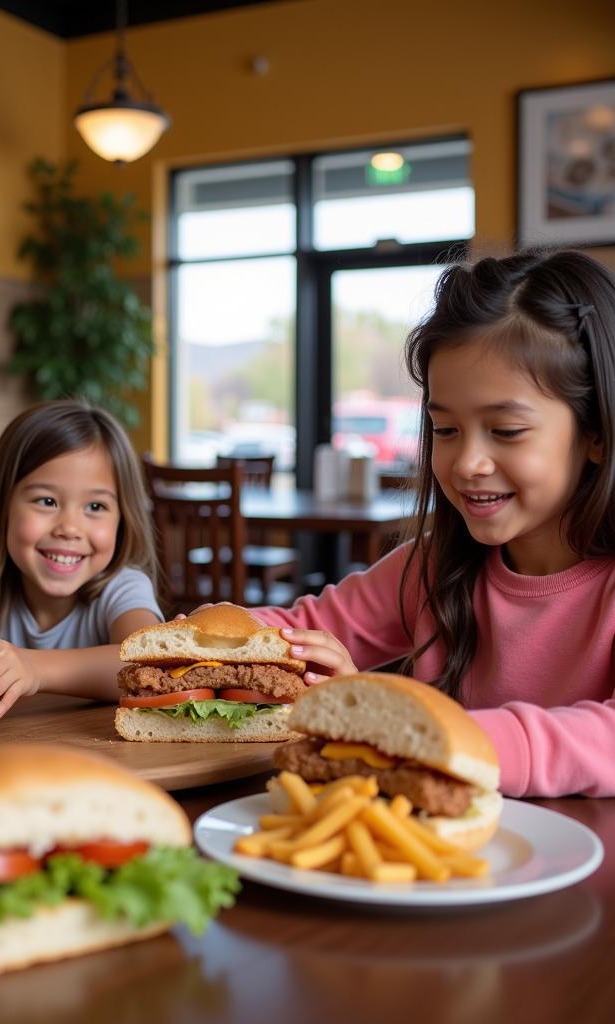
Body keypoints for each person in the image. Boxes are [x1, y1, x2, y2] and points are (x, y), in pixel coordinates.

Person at [245, 248, 615, 798]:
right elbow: (300, 627)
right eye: (445, 430)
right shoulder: (435, 564)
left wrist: (395, 723)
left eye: (507, 431)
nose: (467, 463)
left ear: (596, 435)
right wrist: (208, 636)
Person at [0, 400, 163, 725]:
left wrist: (34, 668)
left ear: (123, 519)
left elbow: (147, 664)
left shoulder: (123, 587)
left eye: (95, 506)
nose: (69, 529)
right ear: (1, 509)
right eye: (47, 501)